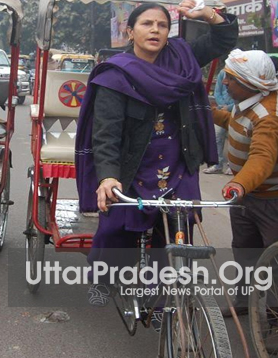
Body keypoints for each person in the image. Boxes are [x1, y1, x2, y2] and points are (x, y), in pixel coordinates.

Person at [74, 2, 238, 306]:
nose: (155, 30)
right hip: (132, 168)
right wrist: (108, 176)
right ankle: (105, 278)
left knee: (179, 234)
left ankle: (162, 301)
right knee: (115, 234)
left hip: (178, 164)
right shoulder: (114, 75)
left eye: (162, 25)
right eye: (146, 24)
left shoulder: (182, 59)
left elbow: (223, 40)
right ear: (130, 31)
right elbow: (106, 133)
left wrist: (209, 16)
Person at [213, 50, 278, 325]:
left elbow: (262, 159)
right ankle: (244, 301)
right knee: (244, 251)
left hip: (277, 200)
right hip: (248, 195)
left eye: (230, 78)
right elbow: (236, 123)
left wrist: (239, 183)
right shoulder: (249, 100)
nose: (225, 83)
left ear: (249, 82)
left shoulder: (268, 114)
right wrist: (212, 115)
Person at [204, 67, 235, 175]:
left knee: (233, 138)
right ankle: (217, 164)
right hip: (221, 108)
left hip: (235, 110)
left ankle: (232, 166)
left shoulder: (241, 74)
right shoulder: (223, 72)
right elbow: (217, 92)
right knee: (217, 136)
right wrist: (222, 106)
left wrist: (230, 107)